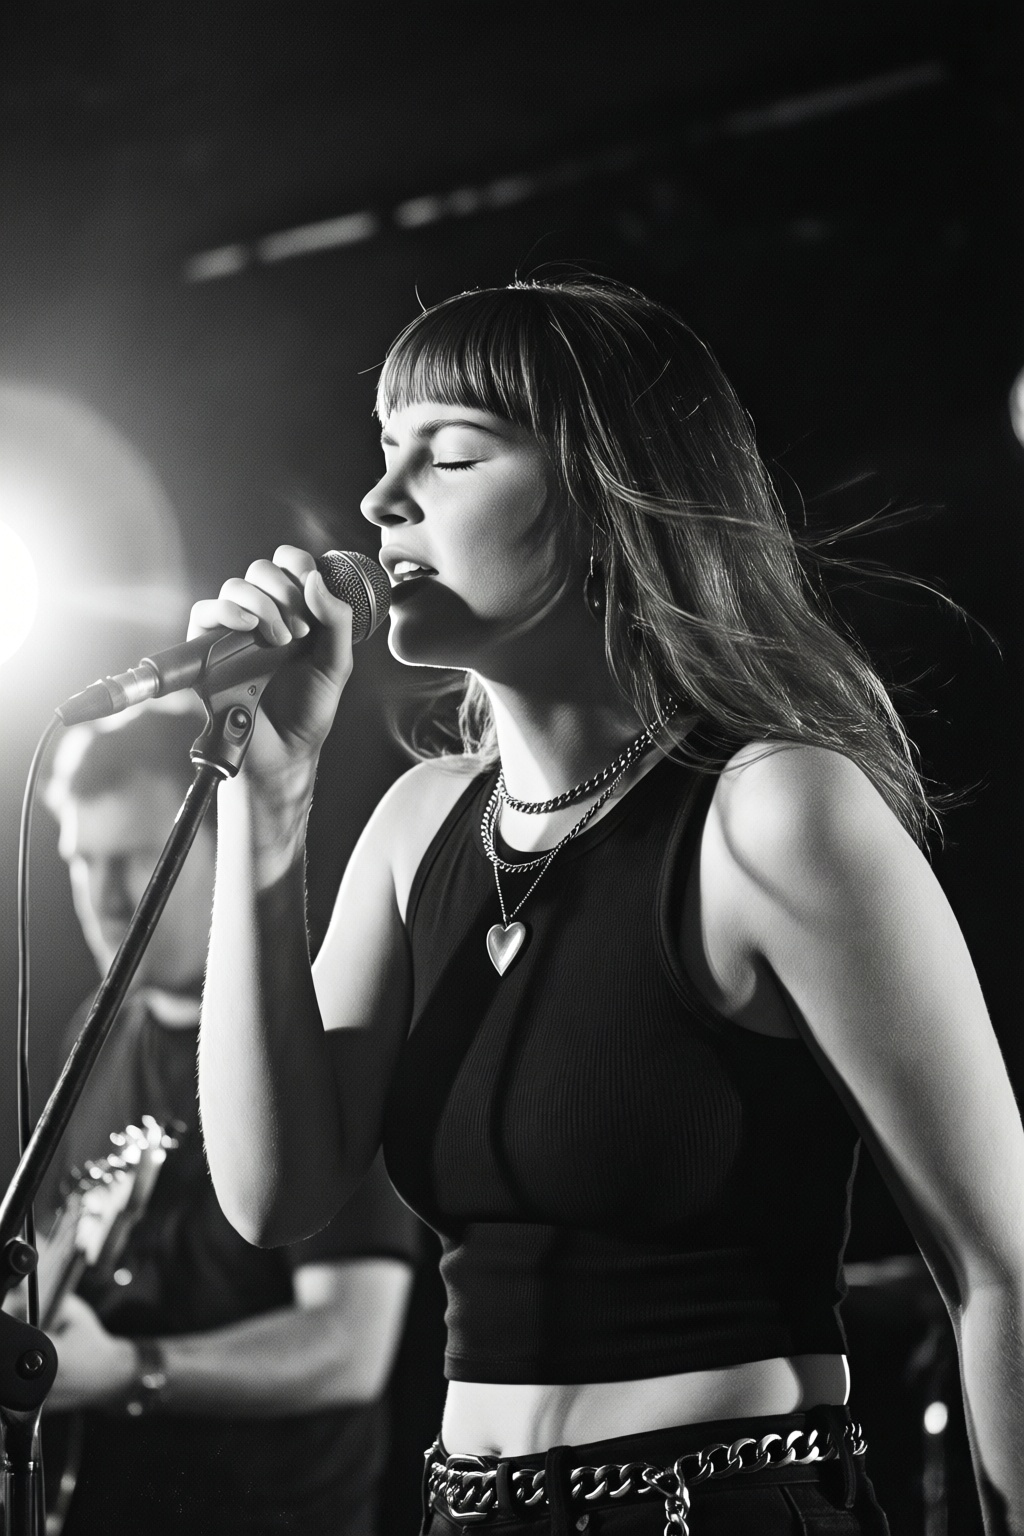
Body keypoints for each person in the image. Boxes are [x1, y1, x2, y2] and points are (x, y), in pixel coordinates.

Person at [190, 278, 1024, 1536]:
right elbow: (274, 1194)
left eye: (453, 451)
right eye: (383, 448)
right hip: (463, 1508)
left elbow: (1000, 1266)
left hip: (719, 1503)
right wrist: (269, 804)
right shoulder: (421, 825)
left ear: (602, 496)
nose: (380, 500)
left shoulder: (774, 810)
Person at [36, 701, 420, 1535]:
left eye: (135, 859)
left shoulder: (304, 1043)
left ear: (219, 843)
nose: (105, 898)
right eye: (83, 860)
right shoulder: (91, 1040)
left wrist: (128, 1372)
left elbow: (352, 1347)